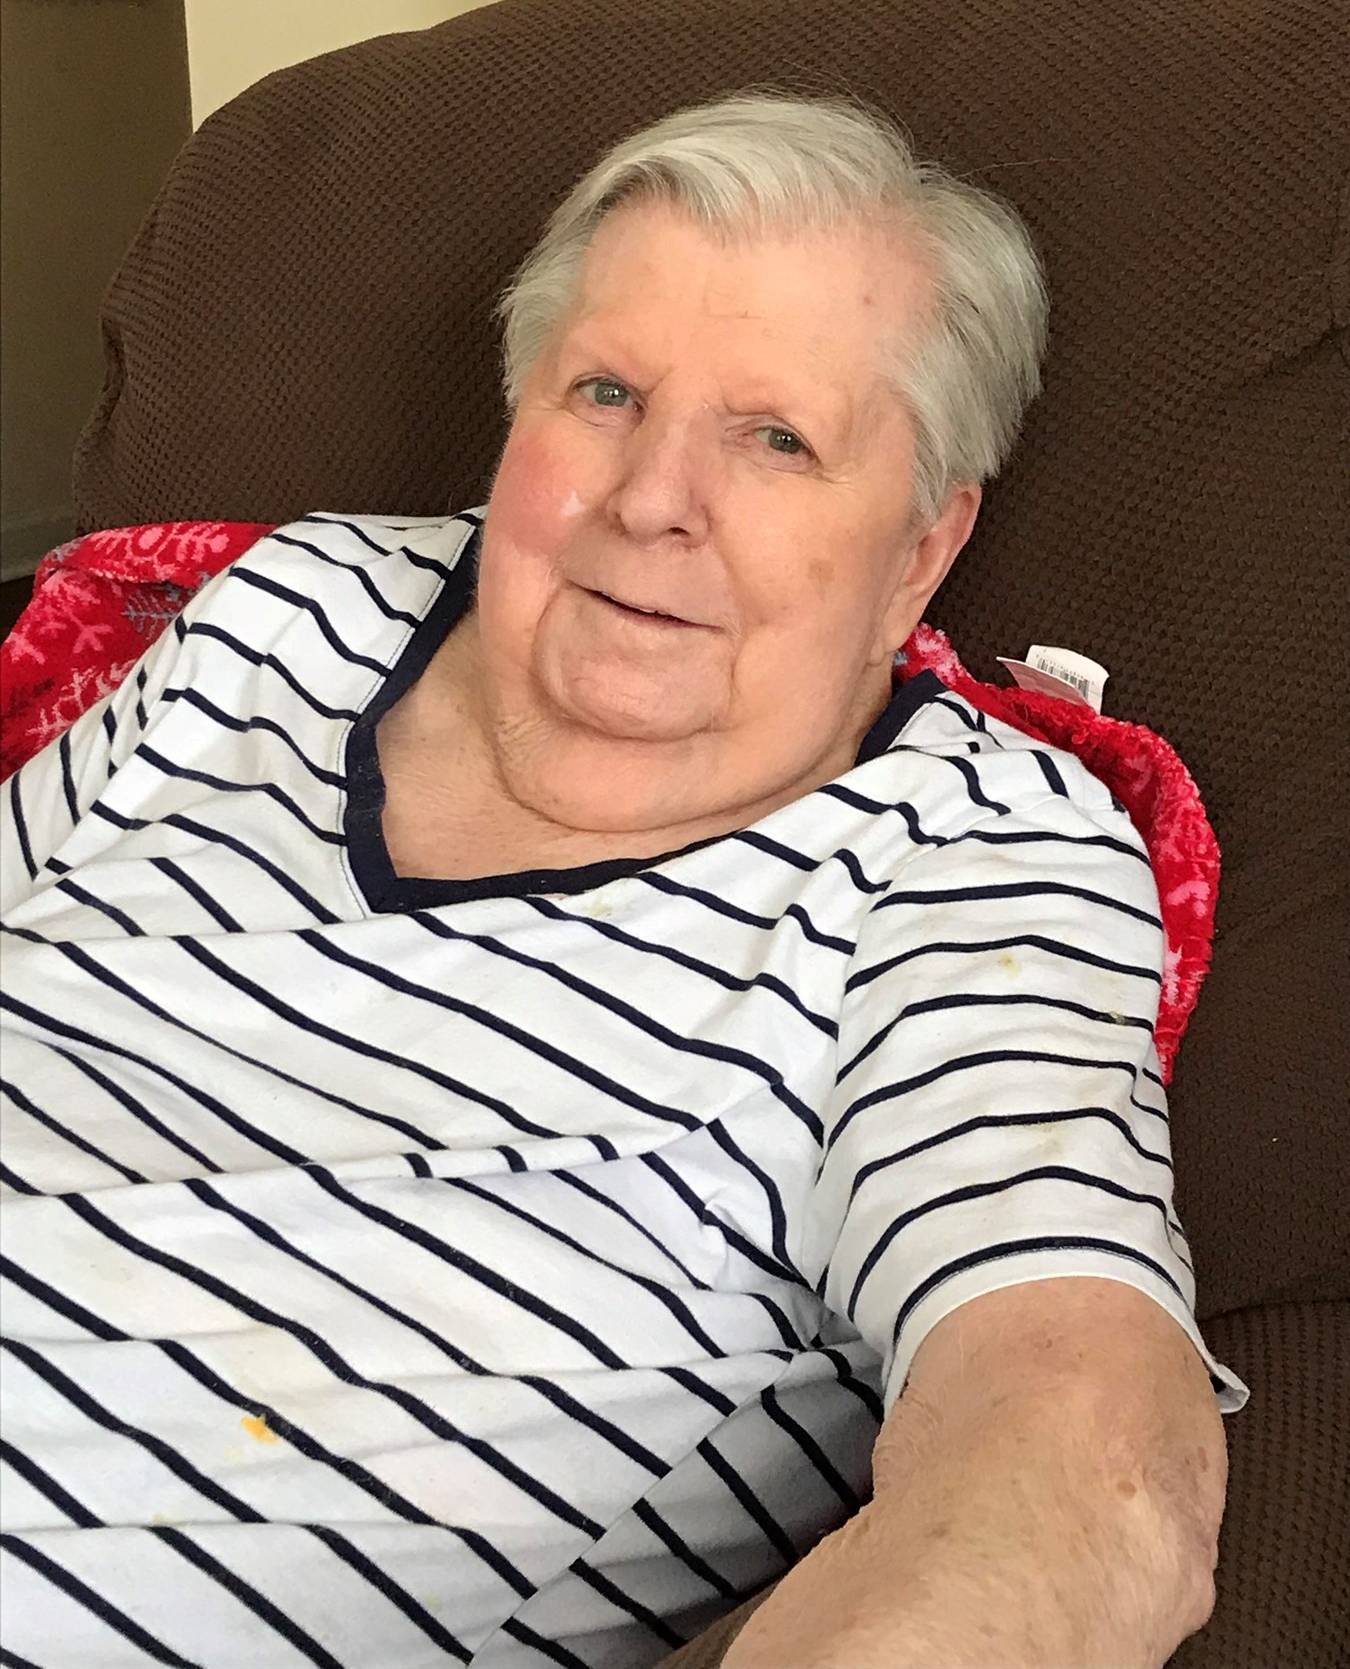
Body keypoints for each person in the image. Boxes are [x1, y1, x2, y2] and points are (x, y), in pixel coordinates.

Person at [0, 94, 1244, 1669]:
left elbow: (1082, 1445)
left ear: (920, 552)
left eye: (776, 437)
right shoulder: (285, 610)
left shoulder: (970, 853)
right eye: (604, 393)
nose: (654, 497)